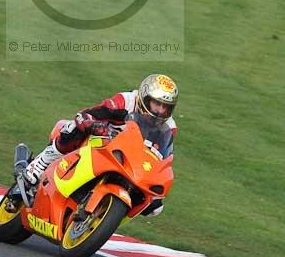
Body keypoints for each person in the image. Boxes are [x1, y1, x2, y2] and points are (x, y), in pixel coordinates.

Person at [23, 73, 179, 216]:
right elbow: (85, 114)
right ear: (145, 98)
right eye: (157, 104)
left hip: (130, 159)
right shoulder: (126, 101)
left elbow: (160, 155)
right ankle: (40, 164)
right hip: (102, 140)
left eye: (166, 107)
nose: (160, 111)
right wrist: (93, 124)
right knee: (72, 128)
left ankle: (103, 213)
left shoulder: (169, 127)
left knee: (154, 206)